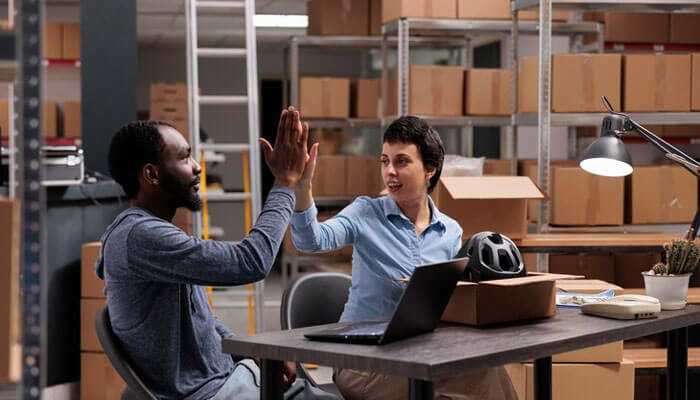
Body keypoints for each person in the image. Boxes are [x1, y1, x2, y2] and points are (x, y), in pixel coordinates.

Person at [290, 116, 517, 400]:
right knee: (453, 378)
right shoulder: (365, 213)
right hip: (361, 361)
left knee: (485, 367)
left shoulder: (450, 231)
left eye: (401, 161)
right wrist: (301, 189)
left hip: (420, 353)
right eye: (385, 161)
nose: (390, 172)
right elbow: (310, 240)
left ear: (430, 169)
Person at [97, 108, 307, 400]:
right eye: (184, 157)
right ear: (151, 174)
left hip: (228, 377)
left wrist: (249, 349)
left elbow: (201, 321)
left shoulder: (149, 232)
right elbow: (250, 262)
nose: (197, 167)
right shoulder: (141, 237)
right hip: (212, 392)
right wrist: (285, 183)